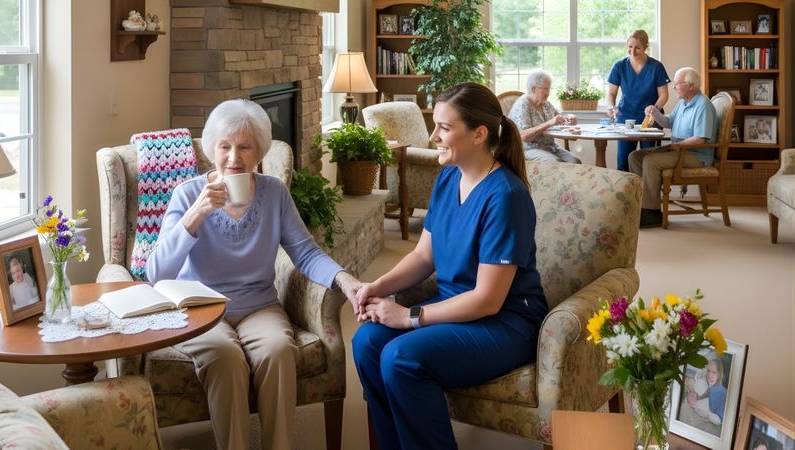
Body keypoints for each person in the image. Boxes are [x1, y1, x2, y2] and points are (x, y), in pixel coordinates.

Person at [146, 99, 361, 450]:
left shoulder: (274, 192)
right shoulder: (188, 195)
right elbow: (157, 272)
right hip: (200, 311)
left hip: (258, 305)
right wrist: (197, 214)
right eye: (225, 147)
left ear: (259, 151)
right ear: (211, 149)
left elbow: (305, 252)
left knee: (278, 350)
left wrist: (344, 279)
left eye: (245, 147)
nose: (234, 157)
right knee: (225, 358)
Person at [353, 82, 549, 449]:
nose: (434, 136)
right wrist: (376, 286)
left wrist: (408, 316)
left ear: (479, 134)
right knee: (367, 341)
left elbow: (488, 300)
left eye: (445, 127)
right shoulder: (448, 177)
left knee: (401, 356)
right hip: (454, 309)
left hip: (505, 323)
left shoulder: (505, 196)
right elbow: (423, 256)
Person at [629, 67, 717, 228]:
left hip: (695, 155)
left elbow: (700, 140)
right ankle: (641, 206)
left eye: (677, 83)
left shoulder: (703, 105)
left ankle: (652, 212)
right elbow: (668, 123)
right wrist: (655, 112)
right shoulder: (683, 103)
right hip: (680, 149)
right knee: (635, 156)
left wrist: (675, 146)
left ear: (691, 86)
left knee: (650, 161)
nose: (674, 87)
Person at [606, 30, 670, 171]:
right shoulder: (619, 66)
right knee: (624, 162)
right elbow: (611, 93)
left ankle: (647, 193)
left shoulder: (656, 67)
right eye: (630, 47)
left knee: (649, 162)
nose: (632, 51)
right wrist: (611, 107)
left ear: (645, 47)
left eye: (637, 48)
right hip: (626, 118)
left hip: (650, 121)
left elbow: (664, 94)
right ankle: (626, 193)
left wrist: (655, 109)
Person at [508, 69, 582, 164]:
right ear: (534, 88)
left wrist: (571, 119)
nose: (548, 93)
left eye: (549, 89)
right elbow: (524, 136)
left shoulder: (545, 104)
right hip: (527, 149)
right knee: (555, 163)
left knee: (575, 161)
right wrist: (549, 123)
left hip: (550, 147)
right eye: (546, 89)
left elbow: (560, 119)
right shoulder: (522, 105)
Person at [686, 354, 727, 426]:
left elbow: (720, 420)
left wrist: (706, 413)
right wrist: (692, 394)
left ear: (719, 374)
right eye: (708, 371)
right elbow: (696, 392)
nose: (710, 375)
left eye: (714, 372)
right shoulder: (704, 380)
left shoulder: (722, 392)